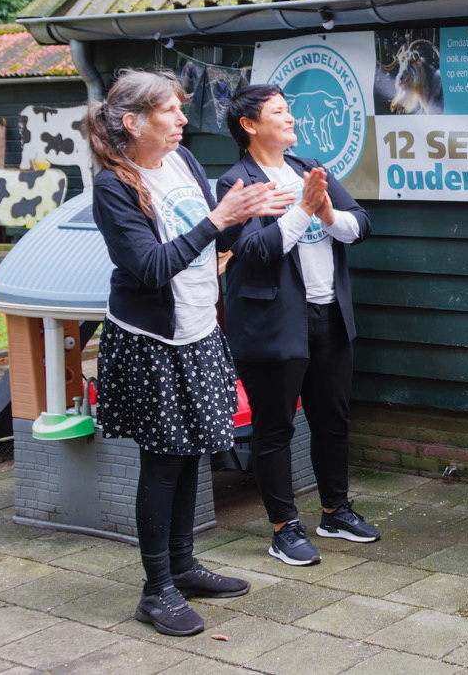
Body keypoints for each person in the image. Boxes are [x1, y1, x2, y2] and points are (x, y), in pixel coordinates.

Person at [87, 69, 293, 636]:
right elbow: (151, 267)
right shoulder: (114, 186)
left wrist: (245, 214)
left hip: (199, 328)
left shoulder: (183, 162)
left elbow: (213, 243)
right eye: (170, 111)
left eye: (181, 108)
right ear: (133, 123)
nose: (182, 119)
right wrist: (219, 218)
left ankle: (183, 566)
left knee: (190, 453)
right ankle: (156, 592)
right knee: (163, 462)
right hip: (153, 341)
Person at [220, 84, 376, 567]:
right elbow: (252, 252)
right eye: (279, 112)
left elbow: (361, 225)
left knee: (333, 418)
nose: (290, 118)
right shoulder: (237, 184)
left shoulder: (306, 168)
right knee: (275, 428)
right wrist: (303, 209)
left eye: (290, 110)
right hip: (271, 323)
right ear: (249, 125)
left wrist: (325, 210)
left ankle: (335, 510)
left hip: (329, 312)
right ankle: (283, 527)